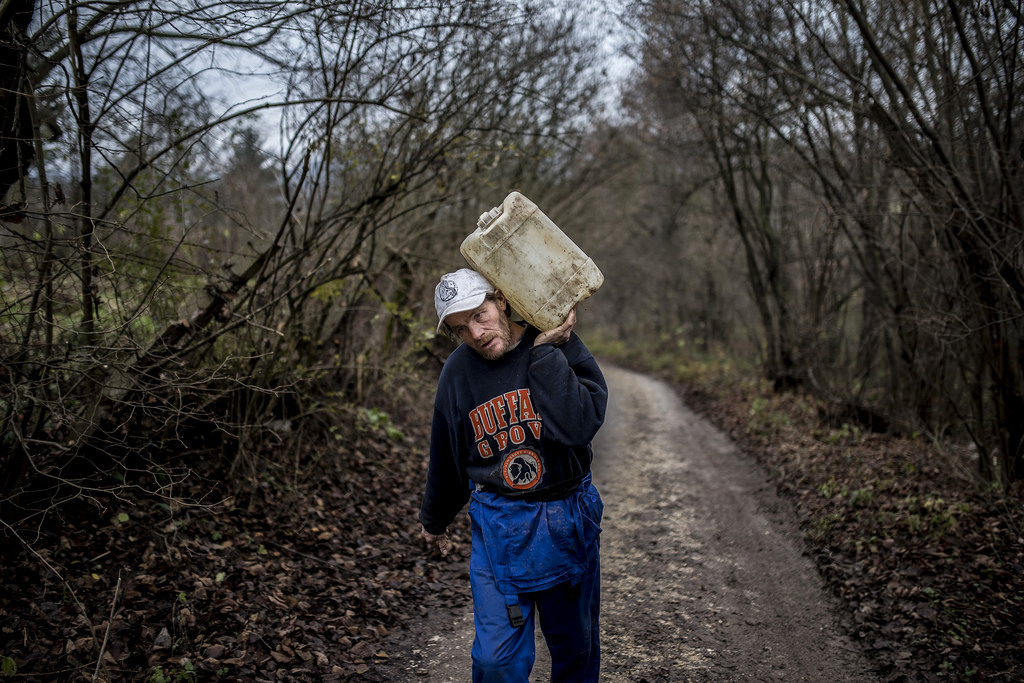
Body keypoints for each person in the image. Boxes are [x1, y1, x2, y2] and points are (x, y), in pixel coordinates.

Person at [419, 267, 608, 682]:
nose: (476, 332)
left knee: (575, 649)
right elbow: (446, 453)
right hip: (498, 526)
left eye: (479, 314)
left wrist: (544, 353)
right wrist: (435, 518)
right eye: (460, 328)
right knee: (495, 661)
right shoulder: (457, 373)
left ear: (501, 300)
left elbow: (580, 425)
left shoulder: (557, 341)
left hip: (566, 518)